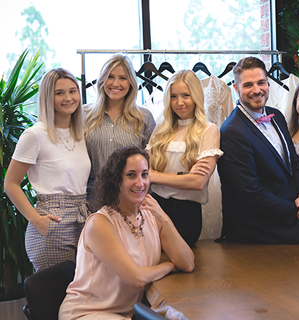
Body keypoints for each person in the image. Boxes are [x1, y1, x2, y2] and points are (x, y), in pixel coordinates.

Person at [59, 146, 194, 320]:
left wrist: (165, 219)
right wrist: (169, 266)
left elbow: (187, 263)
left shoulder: (150, 216)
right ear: (116, 180)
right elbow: (137, 278)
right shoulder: (100, 222)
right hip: (89, 312)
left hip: (129, 312)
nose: (140, 183)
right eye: (131, 175)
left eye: (144, 174)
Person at [218, 56, 299, 244]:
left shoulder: (276, 116)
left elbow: (294, 161)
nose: (256, 90)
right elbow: (252, 195)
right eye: (248, 85)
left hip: (290, 208)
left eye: (261, 82)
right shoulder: (232, 132)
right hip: (261, 224)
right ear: (236, 88)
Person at [4, 68, 91, 271]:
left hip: (82, 221)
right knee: (54, 298)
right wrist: (37, 221)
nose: (68, 98)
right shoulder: (35, 134)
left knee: (77, 297)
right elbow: (10, 183)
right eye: (59, 93)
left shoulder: (80, 132)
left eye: (72, 91)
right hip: (52, 222)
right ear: (47, 97)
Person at [147, 70, 222, 247]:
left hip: (186, 214)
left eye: (186, 95)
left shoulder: (209, 130)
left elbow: (197, 183)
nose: (179, 102)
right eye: (173, 96)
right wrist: (184, 176)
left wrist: (154, 176)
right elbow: (143, 173)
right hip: (154, 208)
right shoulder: (160, 128)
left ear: (196, 96)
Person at [84, 54, 155, 199]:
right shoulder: (84, 115)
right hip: (92, 197)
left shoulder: (144, 117)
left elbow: (151, 165)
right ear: (102, 80)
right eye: (110, 77)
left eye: (123, 78)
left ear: (131, 82)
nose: (116, 83)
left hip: (133, 195)